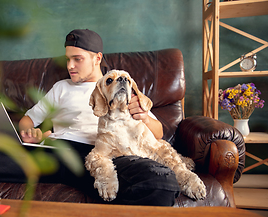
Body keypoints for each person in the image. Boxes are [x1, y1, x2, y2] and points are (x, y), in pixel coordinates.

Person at [18, 29, 180, 206]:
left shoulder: (119, 87)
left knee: (162, 182)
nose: (70, 66)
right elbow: (27, 120)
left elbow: (159, 134)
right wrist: (31, 134)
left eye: (77, 59)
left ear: (97, 58)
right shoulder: (61, 87)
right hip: (60, 152)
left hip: (105, 155)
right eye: (67, 59)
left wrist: (144, 118)